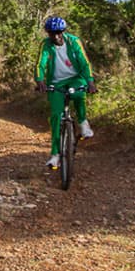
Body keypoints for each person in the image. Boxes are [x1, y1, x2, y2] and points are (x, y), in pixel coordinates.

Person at [34, 15, 96, 168]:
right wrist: (40, 80)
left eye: (59, 32)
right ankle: (55, 155)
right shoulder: (46, 45)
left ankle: (83, 123)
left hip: (75, 78)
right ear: (48, 34)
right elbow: (40, 63)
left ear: (63, 32)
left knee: (79, 94)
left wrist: (90, 81)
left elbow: (84, 61)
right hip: (56, 83)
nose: (56, 36)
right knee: (56, 116)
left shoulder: (73, 41)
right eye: (52, 33)